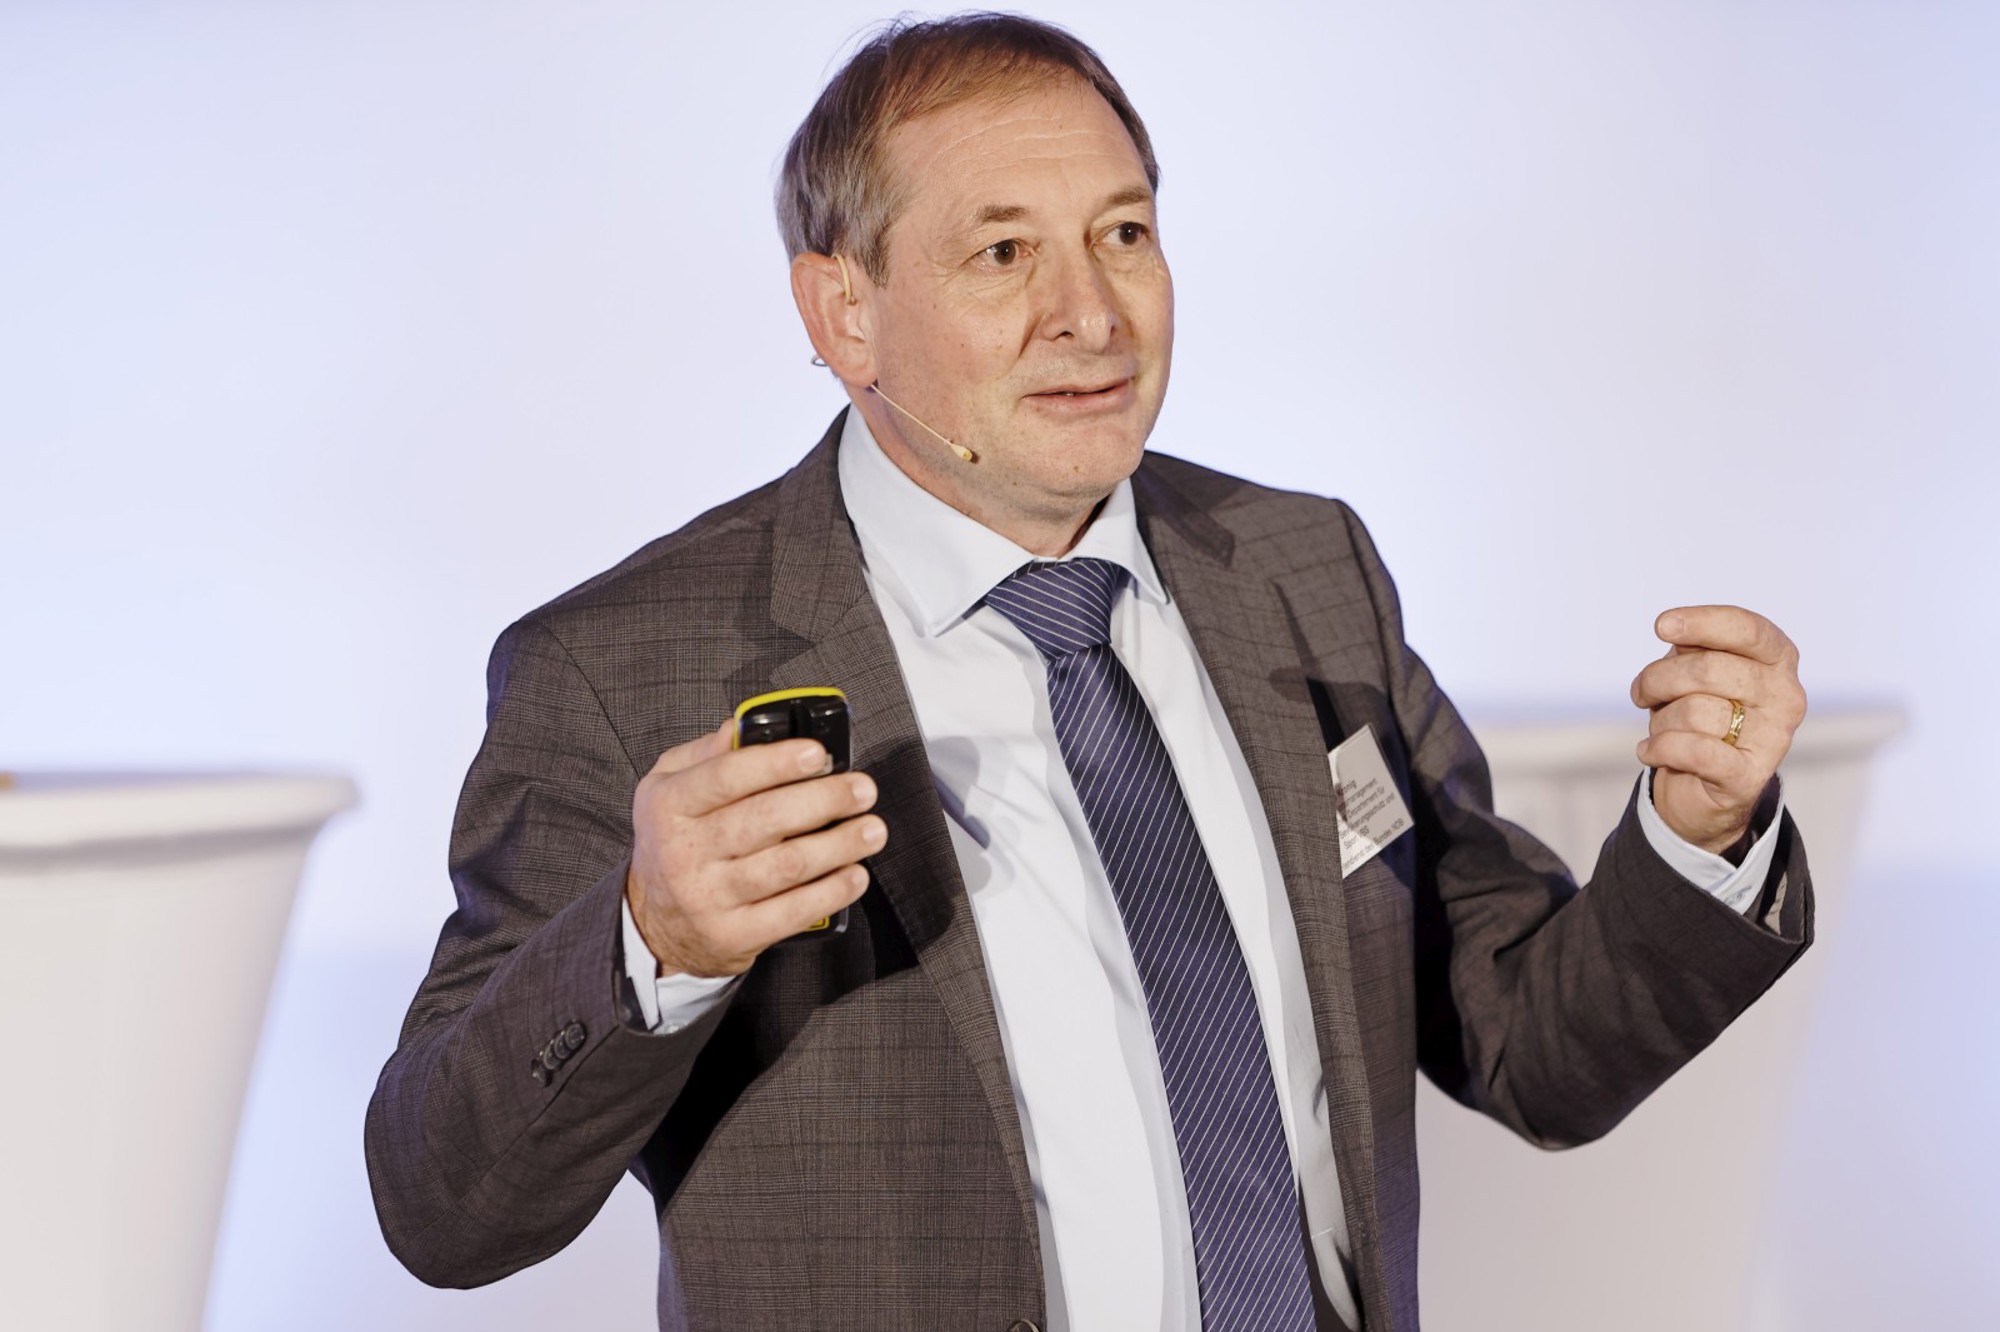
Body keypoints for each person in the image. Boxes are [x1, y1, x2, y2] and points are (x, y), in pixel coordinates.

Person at [365, 14, 1811, 1332]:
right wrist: (652, 940)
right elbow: (445, 1208)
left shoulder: (1305, 571)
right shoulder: (623, 668)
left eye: (1123, 233)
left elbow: (1528, 1043)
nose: (1092, 313)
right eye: (1002, 254)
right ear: (845, 313)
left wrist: (1698, 840)